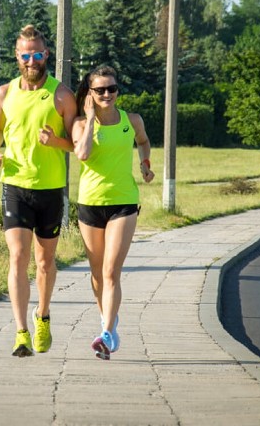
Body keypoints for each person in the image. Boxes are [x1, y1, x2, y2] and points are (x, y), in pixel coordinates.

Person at [0, 24, 77, 357]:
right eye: (26, 55)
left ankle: (43, 315)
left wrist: (56, 142)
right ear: (17, 56)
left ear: (46, 55)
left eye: (38, 54)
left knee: (44, 261)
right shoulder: (4, 93)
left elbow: (76, 144)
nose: (32, 60)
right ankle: (21, 331)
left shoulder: (62, 95)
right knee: (17, 257)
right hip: (14, 185)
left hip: (51, 189)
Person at [71, 66, 154, 360]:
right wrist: (92, 118)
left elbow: (143, 141)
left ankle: (107, 334)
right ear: (90, 93)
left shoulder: (131, 121)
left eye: (112, 88)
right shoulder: (81, 124)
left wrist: (145, 163)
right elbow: (82, 154)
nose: (107, 94)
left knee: (110, 271)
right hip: (90, 204)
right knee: (96, 274)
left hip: (124, 202)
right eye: (100, 90)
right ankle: (109, 320)